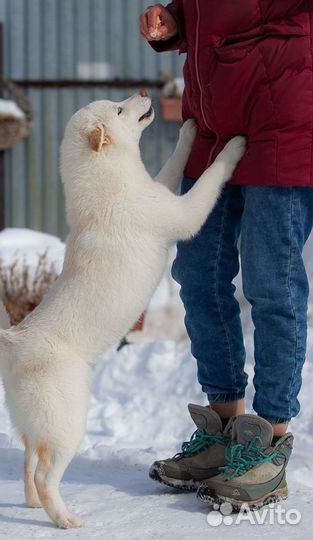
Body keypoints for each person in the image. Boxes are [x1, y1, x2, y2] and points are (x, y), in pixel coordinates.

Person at [139, 1, 313, 510]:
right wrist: (175, 21)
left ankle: (269, 444)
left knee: (270, 283)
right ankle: (224, 431)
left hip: (283, 118)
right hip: (213, 122)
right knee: (197, 274)